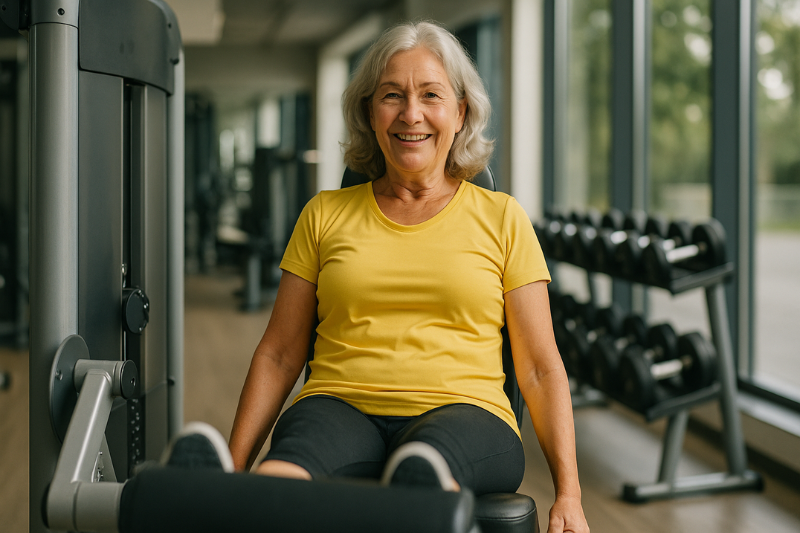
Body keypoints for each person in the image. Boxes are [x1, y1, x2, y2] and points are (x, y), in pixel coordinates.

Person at [228, 20, 589, 533]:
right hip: (338, 405)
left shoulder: (503, 218)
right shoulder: (324, 214)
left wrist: (569, 495)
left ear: (460, 112)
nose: (411, 114)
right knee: (282, 475)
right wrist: (231, 470)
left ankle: (421, 487)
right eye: (392, 96)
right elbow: (280, 352)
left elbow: (538, 369)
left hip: (466, 415)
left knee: (422, 475)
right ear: (369, 113)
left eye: (431, 95)